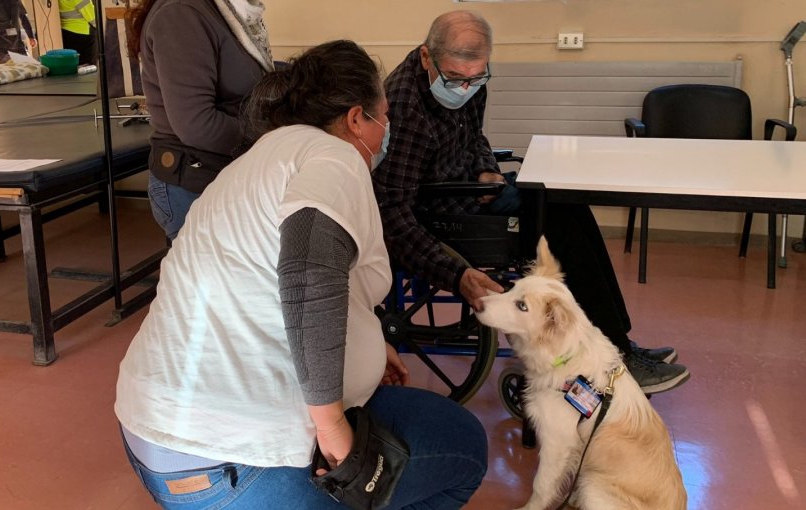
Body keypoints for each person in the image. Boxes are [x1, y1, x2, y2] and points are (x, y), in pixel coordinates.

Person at [115, 40, 488, 509]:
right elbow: (308, 272)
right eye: (384, 117)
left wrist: (372, 344)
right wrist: (333, 429)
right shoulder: (334, 157)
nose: (386, 131)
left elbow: (267, 283)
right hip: (236, 463)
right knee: (465, 447)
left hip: (154, 445)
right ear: (356, 119)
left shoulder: (258, 161)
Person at [373, 10, 690, 395]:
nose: (466, 87)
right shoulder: (404, 108)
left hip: (469, 189)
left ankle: (619, 339)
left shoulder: (471, 81)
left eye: (476, 76)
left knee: (567, 199)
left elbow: (474, 139)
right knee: (557, 222)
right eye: (456, 78)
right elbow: (393, 212)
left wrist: (488, 171)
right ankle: (616, 358)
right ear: (426, 57)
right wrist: (455, 274)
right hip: (437, 212)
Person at [127, 0, 273, 241]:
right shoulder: (180, 13)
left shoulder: (225, 10)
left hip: (226, 173)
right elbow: (198, 125)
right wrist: (273, 135)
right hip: (194, 183)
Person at [58, 0, 96, 65]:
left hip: (65, 32)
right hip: (82, 33)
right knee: (86, 67)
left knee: (73, 65)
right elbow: (93, 17)